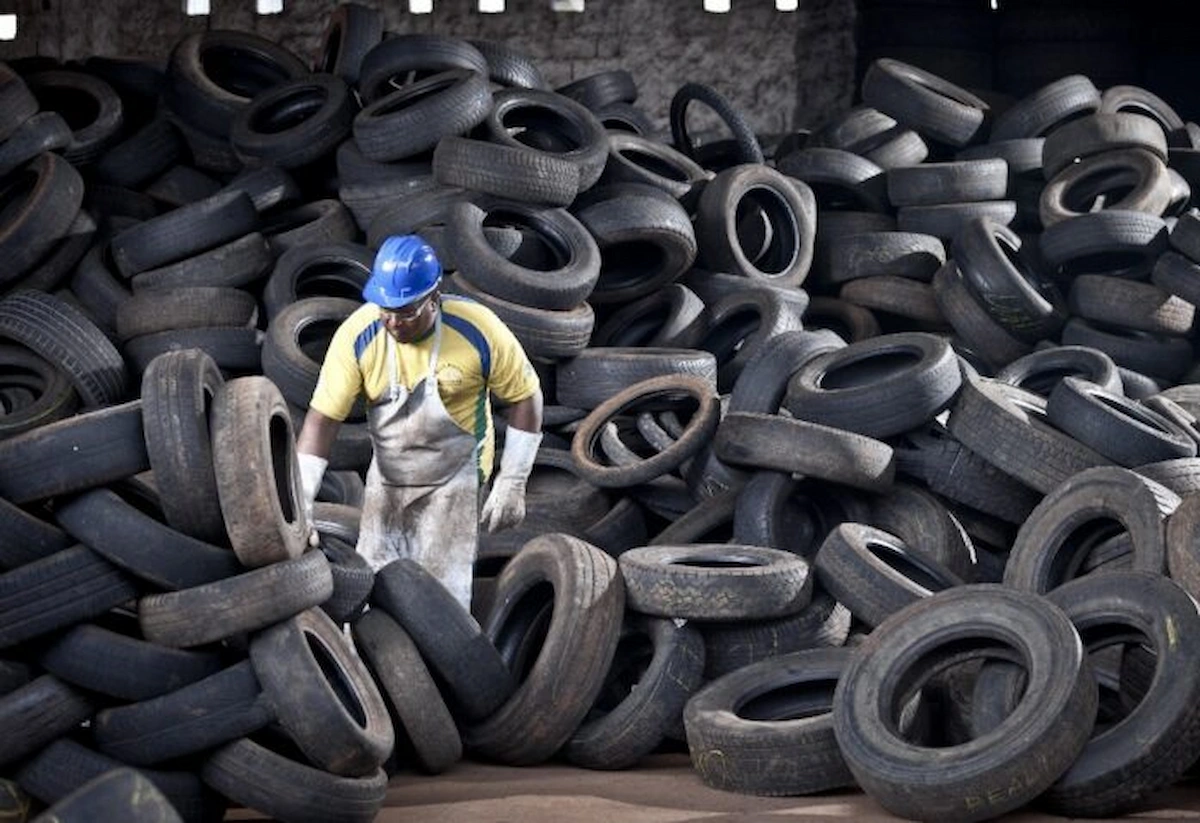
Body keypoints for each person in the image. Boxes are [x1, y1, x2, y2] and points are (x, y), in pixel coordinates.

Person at [295, 234, 543, 611]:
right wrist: (302, 501)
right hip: (389, 480)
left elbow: (526, 397)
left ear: (434, 298)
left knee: (440, 600)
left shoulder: (478, 330)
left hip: (456, 482)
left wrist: (512, 481)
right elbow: (322, 421)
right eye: (385, 309)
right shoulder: (358, 336)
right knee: (370, 589)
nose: (394, 321)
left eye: (407, 311)